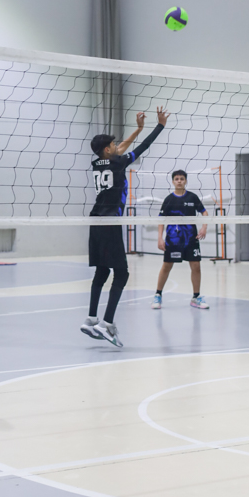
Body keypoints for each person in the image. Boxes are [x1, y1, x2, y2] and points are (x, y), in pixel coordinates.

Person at [81, 108, 169, 347]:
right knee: (122, 273)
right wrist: (159, 126)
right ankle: (107, 323)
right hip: (110, 223)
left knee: (102, 271)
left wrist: (138, 129)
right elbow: (143, 148)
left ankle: (91, 319)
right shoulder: (118, 163)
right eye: (113, 144)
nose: (116, 145)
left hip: (95, 221)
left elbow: (120, 149)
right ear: (107, 149)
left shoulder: (97, 163)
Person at [152, 170, 209, 310]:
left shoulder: (192, 197)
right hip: (173, 239)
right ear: (173, 182)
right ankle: (158, 295)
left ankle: (196, 297)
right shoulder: (169, 199)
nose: (179, 181)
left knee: (196, 266)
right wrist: (159, 238)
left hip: (191, 238)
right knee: (167, 266)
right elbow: (161, 219)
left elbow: (204, 212)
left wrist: (204, 227)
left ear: (186, 181)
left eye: (182, 179)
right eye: (176, 179)